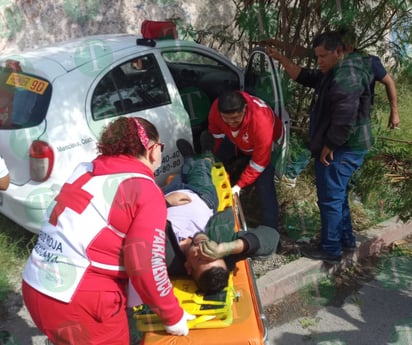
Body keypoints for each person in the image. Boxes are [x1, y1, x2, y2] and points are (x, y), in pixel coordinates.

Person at [22, 117, 194, 344]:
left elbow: (105, 209)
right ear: (152, 150)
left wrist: (160, 202)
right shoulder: (145, 190)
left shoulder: (87, 170)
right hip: (79, 301)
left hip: (36, 286)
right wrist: (173, 316)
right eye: (160, 148)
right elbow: (146, 263)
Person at [266, 31, 373, 264]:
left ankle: (330, 249)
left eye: (324, 56)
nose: (320, 61)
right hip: (344, 146)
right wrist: (281, 58)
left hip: (342, 148)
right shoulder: (334, 72)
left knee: (330, 198)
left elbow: (345, 117)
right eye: (317, 57)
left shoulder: (346, 77)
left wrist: (330, 145)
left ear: (339, 51)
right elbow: (304, 75)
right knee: (338, 195)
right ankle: (345, 240)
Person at [163, 139, 280, 294]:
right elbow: (271, 236)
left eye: (200, 257)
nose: (203, 248)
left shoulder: (165, 256)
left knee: (183, 174)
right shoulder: (223, 248)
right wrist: (226, 248)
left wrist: (161, 201)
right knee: (201, 170)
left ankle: (189, 158)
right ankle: (206, 157)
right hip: (202, 196)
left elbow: (133, 218)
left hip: (168, 196)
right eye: (212, 254)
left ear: (188, 268)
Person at [207, 90, 283, 230]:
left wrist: (240, 185)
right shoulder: (216, 108)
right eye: (226, 119)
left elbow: (259, 162)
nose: (231, 123)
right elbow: (216, 134)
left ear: (245, 110)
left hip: (265, 146)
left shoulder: (261, 121)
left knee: (265, 188)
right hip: (237, 140)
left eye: (235, 119)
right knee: (214, 169)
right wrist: (216, 158)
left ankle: (271, 233)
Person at [338, 28, 400, 129]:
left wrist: (394, 112)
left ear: (350, 47)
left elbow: (389, 82)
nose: (338, 53)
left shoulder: (369, 61)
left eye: (341, 49)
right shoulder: (331, 60)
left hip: (359, 119)